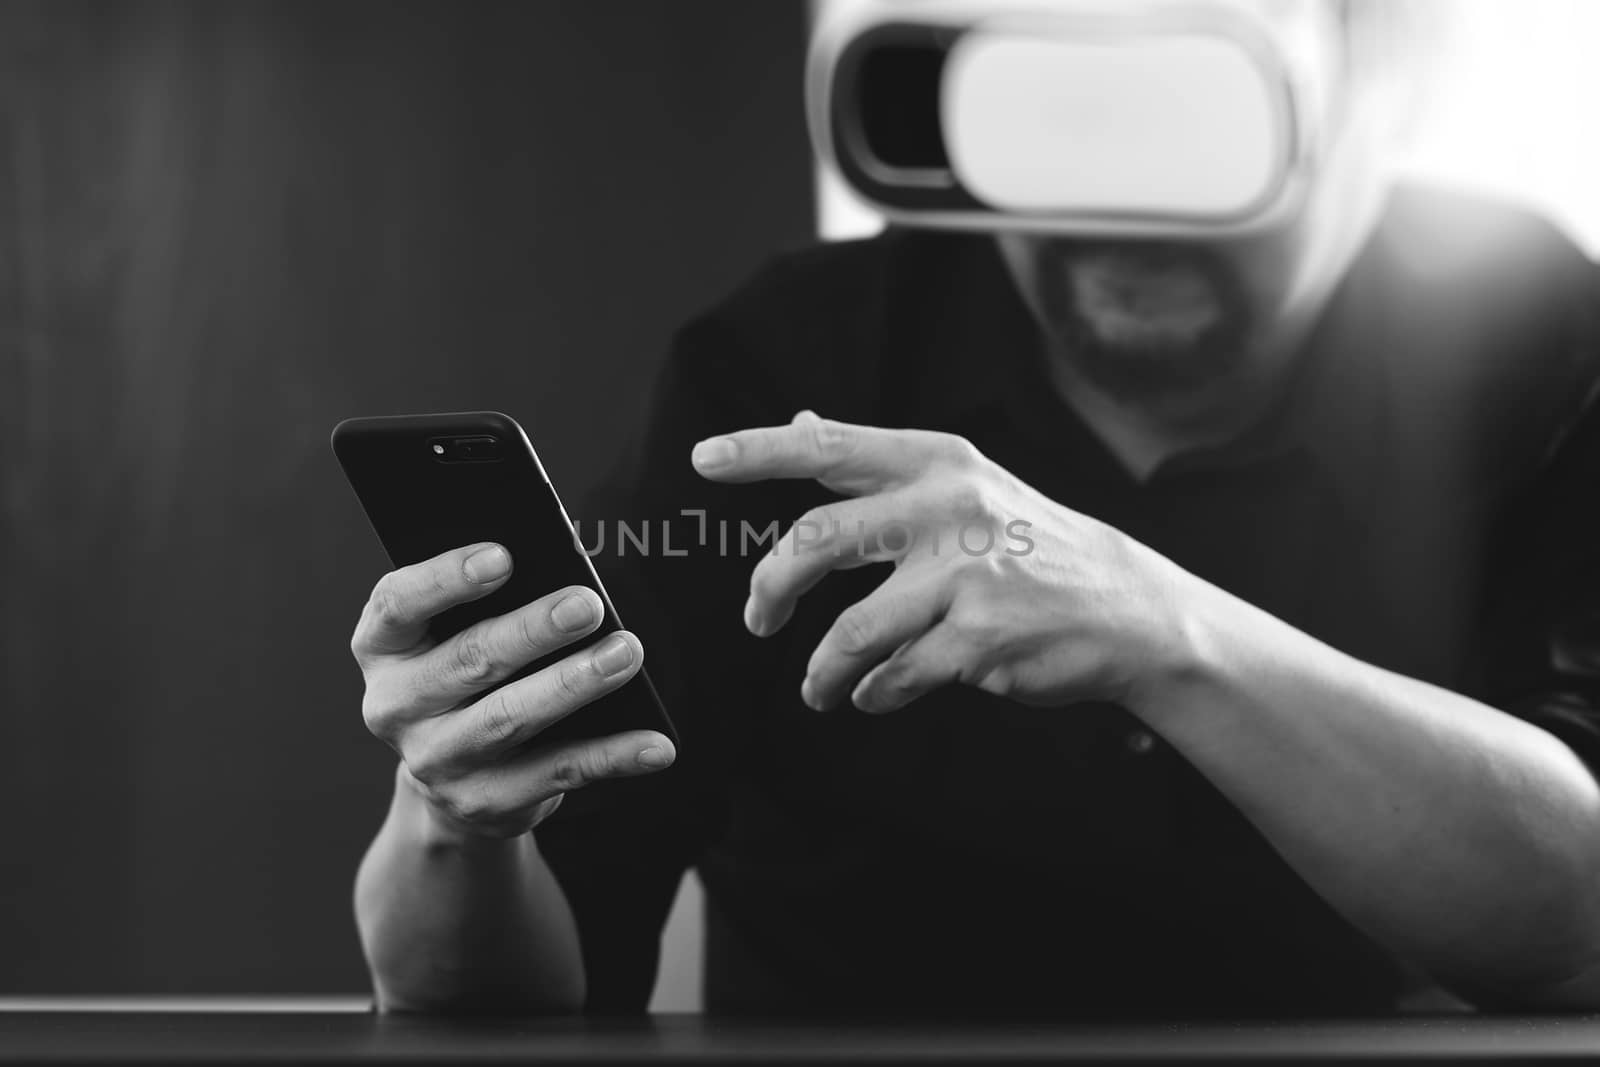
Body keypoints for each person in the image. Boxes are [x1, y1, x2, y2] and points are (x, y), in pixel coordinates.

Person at [347, 0, 1600, 1019]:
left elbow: (1579, 930)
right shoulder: (792, 368)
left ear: (1381, 89)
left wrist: (1161, 624)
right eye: (1060, 114)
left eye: (1190, 109)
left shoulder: (1536, 342)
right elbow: (506, 999)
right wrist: (454, 815)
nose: (1118, 204)